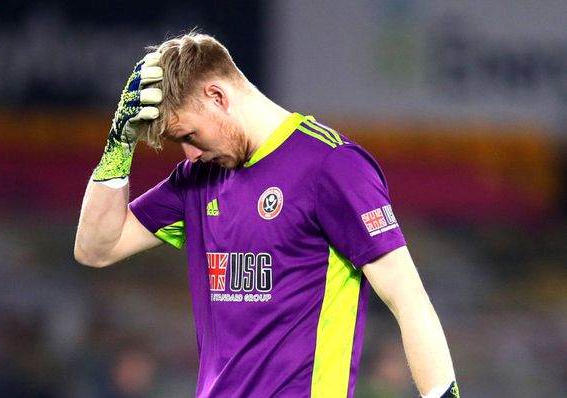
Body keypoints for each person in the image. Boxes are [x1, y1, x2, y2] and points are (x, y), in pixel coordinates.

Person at [74, 33, 459, 398]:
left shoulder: (332, 165)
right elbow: (96, 248)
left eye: (189, 136)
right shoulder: (200, 177)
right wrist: (118, 147)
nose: (188, 154)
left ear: (217, 96)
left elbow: (407, 297)